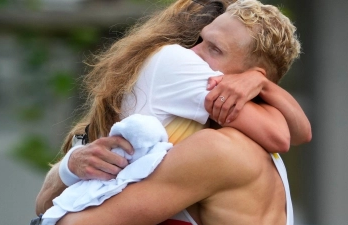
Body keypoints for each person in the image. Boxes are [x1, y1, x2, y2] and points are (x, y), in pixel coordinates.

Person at [34, 0, 310, 224]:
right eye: (199, 40)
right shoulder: (267, 161)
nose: (192, 53)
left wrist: (260, 82)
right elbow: (297, 134)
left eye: (214, 49)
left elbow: (71, 221)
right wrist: (72, 164)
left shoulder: (216, 149)